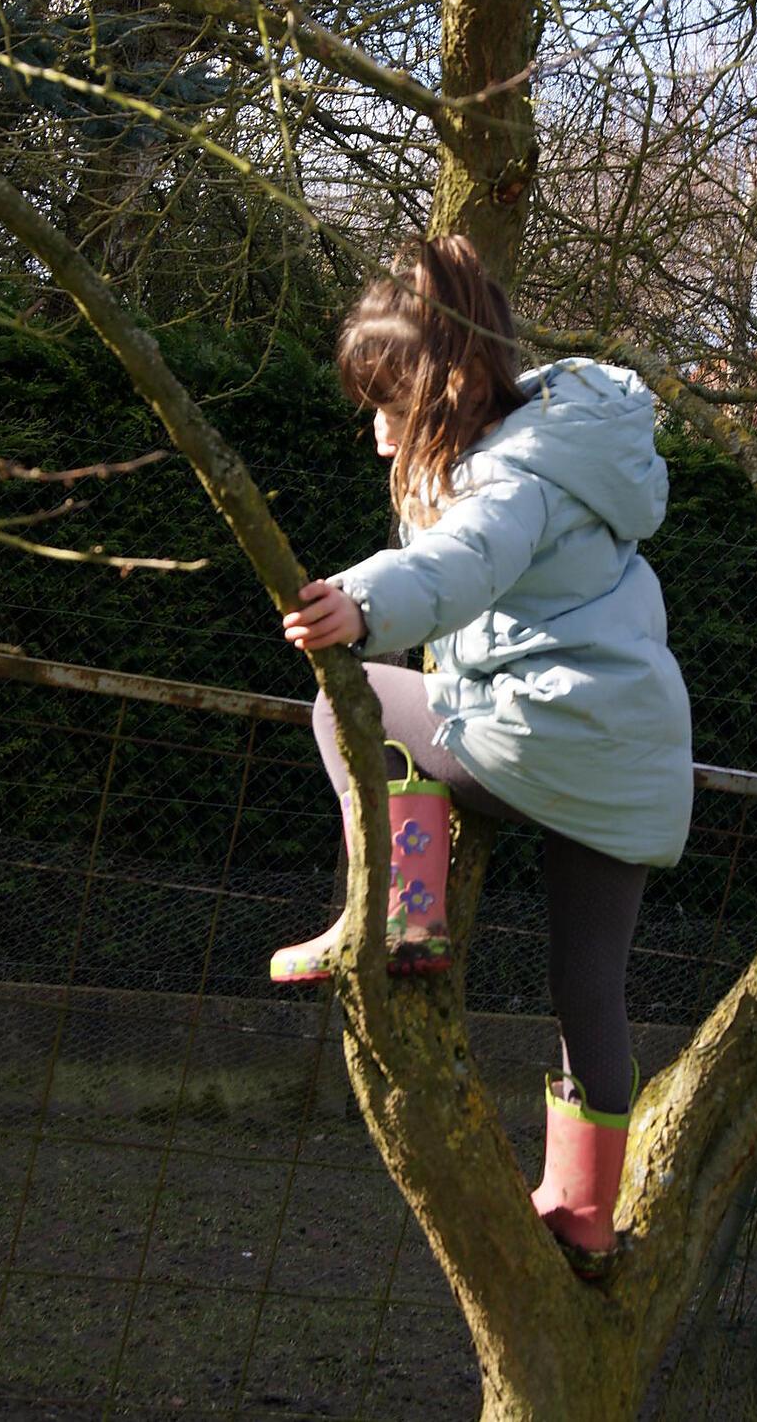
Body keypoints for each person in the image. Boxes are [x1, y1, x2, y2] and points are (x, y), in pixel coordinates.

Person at [274, 234, 692, 1268]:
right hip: (629, 761)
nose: (377, 435)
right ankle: (589, 1212)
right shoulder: (569, 444)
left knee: (354, 702)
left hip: (539, 740)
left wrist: (358, 603)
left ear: (441, 395)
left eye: (386, 408)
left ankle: (402, 908)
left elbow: (458, 564)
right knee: (589, 984)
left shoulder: (508, 479)